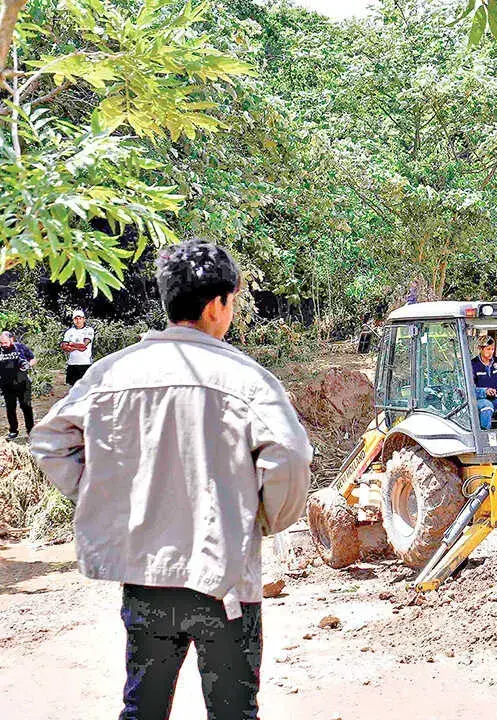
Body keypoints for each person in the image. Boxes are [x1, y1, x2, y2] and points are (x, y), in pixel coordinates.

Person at [29, 240, 312, 720]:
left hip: (144, 577)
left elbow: (50, 442)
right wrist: (261, 519)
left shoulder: (109, 373)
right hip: (224, 582)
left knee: (142, 709)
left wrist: (105, 496)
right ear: (217, 304)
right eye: (234, 301)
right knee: (233, 713)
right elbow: (288, 454)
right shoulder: (248, 379)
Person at [0, 331, 37, 440]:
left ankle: (31, 431)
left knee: (26, 407)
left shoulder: (20, 347)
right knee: (10, 408)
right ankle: (13, 431)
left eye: (5, 342)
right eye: (1, 343)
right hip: (6, 384)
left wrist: (28, 365)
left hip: (22, 383)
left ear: (12, 339)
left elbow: (33, 359)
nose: (3, 345)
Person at [60, 309, 95, 388]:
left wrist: (71, 344)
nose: (78, 320)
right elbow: (64, 346)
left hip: (85, 364)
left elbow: (84, 345)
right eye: (76, 318)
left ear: (84, 319)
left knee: (85, 388)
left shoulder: (89, 330)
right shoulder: (69, 332)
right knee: (72, 389)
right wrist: (76, 346)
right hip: (72, 364)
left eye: (80, 318)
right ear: (73, 320)